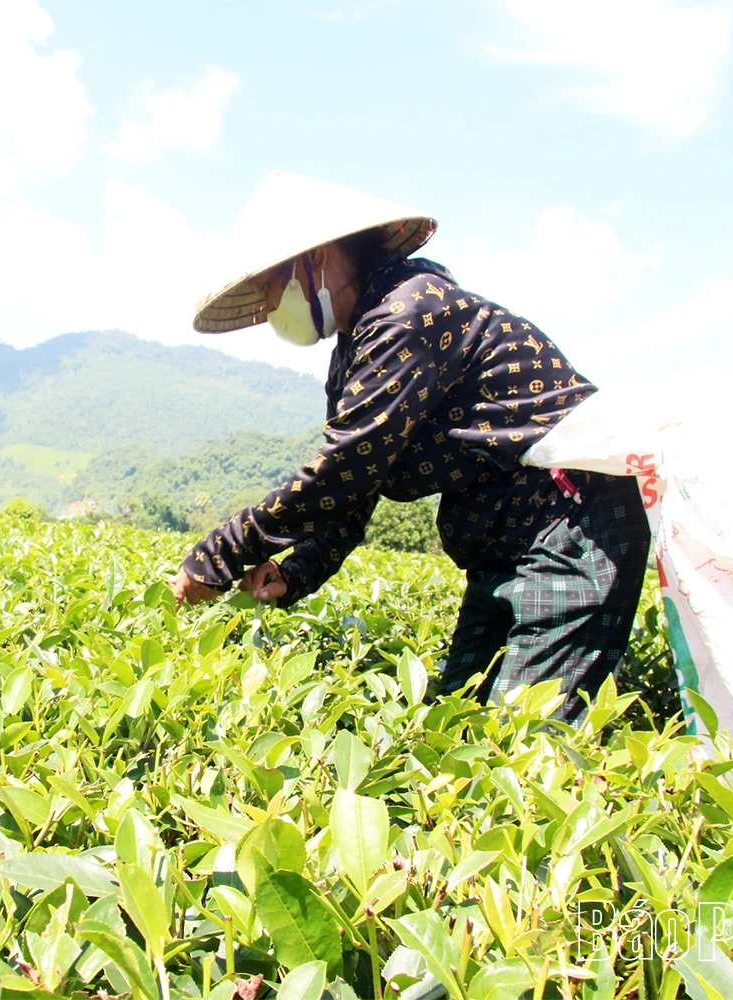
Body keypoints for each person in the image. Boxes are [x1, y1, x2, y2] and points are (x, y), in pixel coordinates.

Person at [167, 171, 650, 724]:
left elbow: (341, 471)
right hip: (503, 548)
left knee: (525, 742)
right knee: (456, 726)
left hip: (571, 525)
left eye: (272, 285)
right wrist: (296, 571)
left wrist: (218, 556)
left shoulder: (410, 310)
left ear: (316, 259)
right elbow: (354, 493)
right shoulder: (358, 347)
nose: (272, 304)